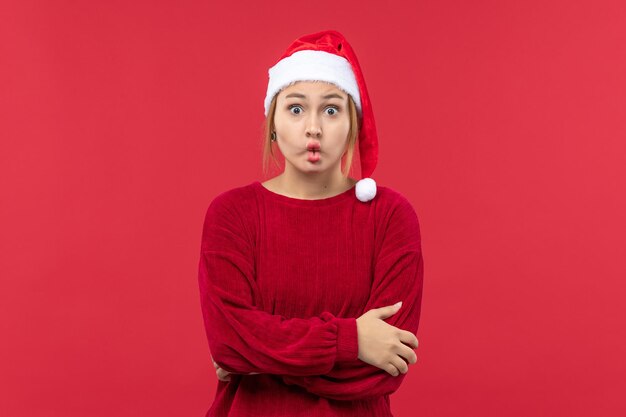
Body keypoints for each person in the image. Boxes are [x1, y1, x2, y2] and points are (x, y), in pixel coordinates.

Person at [197, 29, 424, 417]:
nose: (313, 127)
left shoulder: (389, 216)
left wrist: (257, 359)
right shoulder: (231, 214)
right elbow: (227, 343)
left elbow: (385, 368)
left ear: (353, 123)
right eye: (296, 108)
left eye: (332, 109)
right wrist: (351, 341)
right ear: (272, 121)